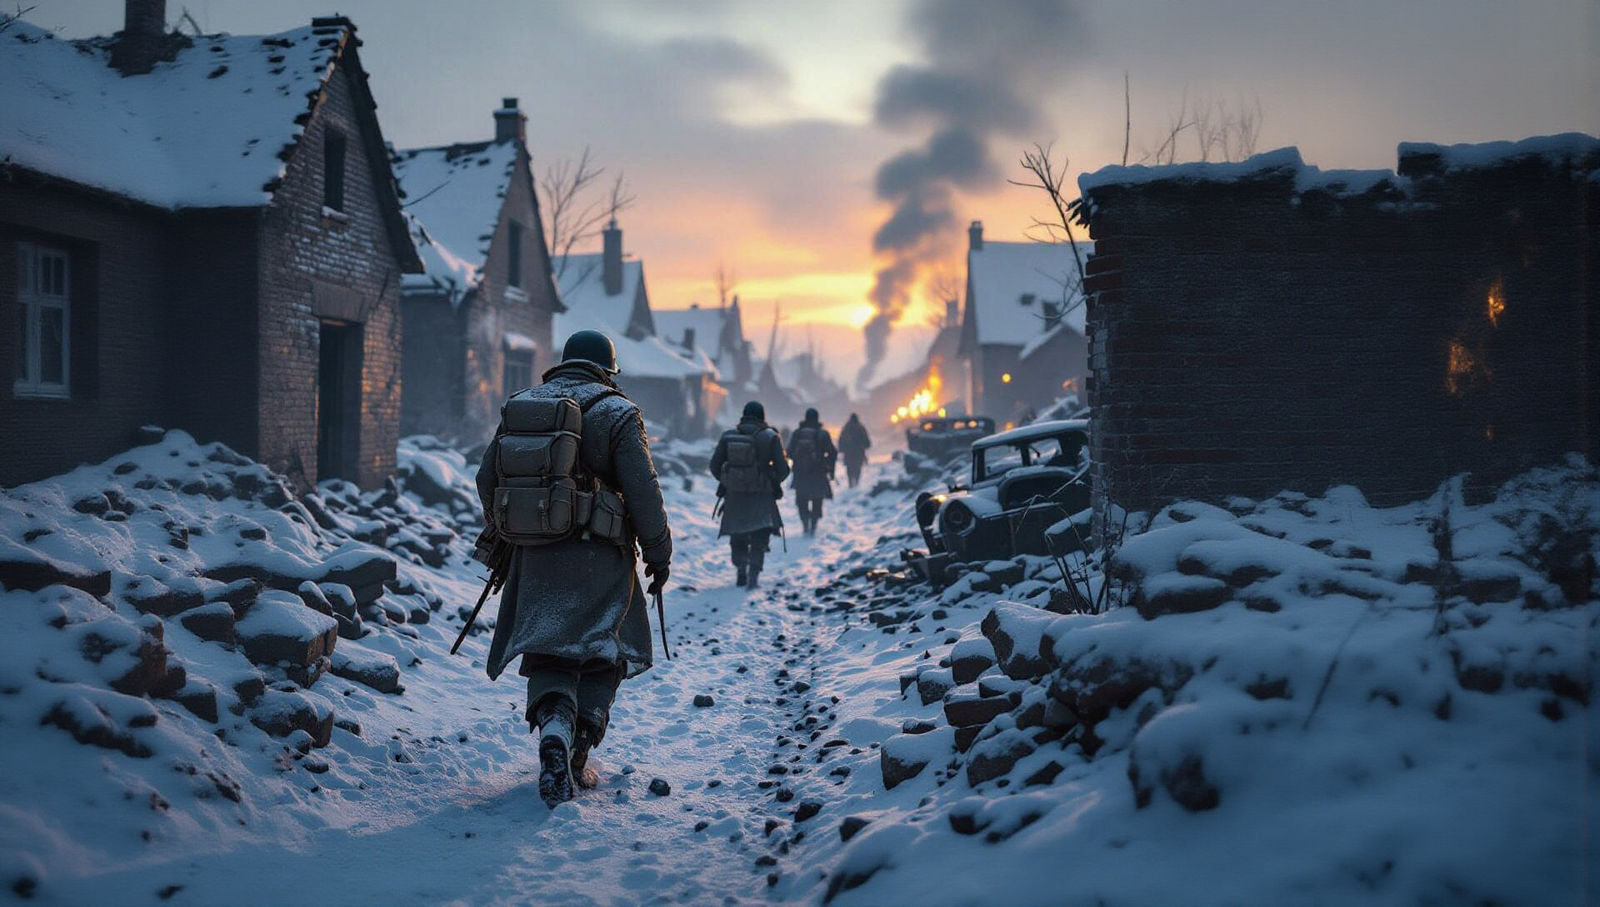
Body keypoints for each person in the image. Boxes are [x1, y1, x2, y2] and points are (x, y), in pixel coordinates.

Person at [474, 329, 673, 808]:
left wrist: (516, 530)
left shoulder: (522, 405)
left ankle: (555, 728)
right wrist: (659, 554)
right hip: (601, 558)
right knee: (608, 648)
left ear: (561, 363)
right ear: (607, 369)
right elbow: (643, 494)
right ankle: (579, 742)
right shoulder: (619, 412)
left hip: (533, 558)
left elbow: (487, 478)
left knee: (547, 651)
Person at [709, 401, 789, 589]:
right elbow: (784, 470)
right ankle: (753, 574)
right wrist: (770, 481)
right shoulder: (770, 437)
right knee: (759, 534)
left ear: (743, 415)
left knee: (738, 534)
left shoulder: (728, 436)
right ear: (762, 416)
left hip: (734, 496)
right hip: (761, 496)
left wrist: (729, 481)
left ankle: (740, 570)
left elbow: (714, 466)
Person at [786, 408, 837, 534]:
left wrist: (799, 461)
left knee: (801, 500)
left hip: (800, 474)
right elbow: (832, 452)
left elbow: (789, 452)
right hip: (818, 473)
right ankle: (813, 525)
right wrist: (830, 469)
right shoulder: (823, 434)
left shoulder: (797, 433)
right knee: (817, 499)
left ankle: (805, 525)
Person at [837, 413, 872, 489]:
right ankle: (856, 482)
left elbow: (841, 440)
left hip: (848, 453)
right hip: (859, 453)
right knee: (857, 467)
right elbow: (867, 441)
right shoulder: (860, 427)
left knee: (849, 468)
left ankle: (851, 483)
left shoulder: (846, 428)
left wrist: (841, 449)